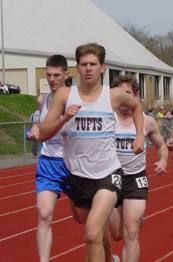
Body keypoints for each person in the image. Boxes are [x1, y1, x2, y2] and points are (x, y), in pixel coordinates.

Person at [39, 43, 144, 262]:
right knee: (95, 237)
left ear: (103, 67)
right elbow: (44, 133)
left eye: (93, 64)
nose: (88, 68)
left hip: (108, 174)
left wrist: (140, 136)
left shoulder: (113, 95)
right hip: (77, 177)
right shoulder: (64, 95)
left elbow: (136, 106)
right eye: (84, 64)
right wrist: (64, 119)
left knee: (92, 233)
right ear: (77, 68)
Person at [108, 74, 170, 261]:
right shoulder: (107, 117)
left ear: (136, 94)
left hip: (135, 179)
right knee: (116, 234)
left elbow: (161, 145)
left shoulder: (147, 121)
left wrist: (163, 160)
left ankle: (134, 218)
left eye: (127, 93)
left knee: (131, 231)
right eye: (119, 93)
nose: (124, 97)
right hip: (109, 179)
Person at [27, 54, 70, 262]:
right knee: (44, 215)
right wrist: (36, 127)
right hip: (48, 163)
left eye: (56, 75)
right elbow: (39, 122)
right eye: (48, 75)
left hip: (73, 164)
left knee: (86, 220)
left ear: (65, 74)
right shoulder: (42, 100)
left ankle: (106, 255)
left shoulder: (75, 98)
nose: (52, 79)